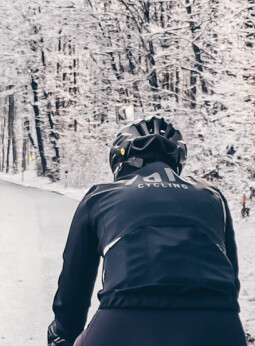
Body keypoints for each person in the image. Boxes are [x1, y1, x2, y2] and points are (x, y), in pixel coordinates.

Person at [47, 117, 245, 346]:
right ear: (177, 161)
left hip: (124, 318)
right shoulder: (211, 195)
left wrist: (62, 333)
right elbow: (231, 278)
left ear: (119, 163)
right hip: (217, 321)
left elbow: (74, 286)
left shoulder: (100, 196)